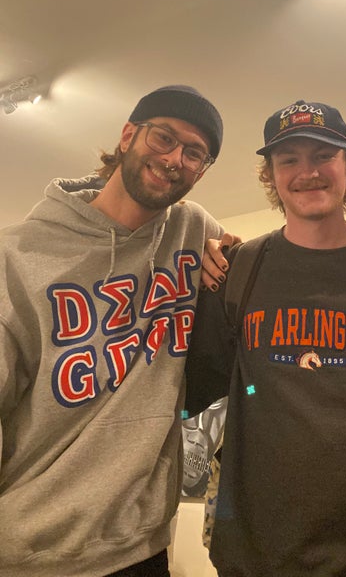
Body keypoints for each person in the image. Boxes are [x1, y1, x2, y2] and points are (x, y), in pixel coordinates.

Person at [186, 99, 346, 577]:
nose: (309, 172)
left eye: (324, 155)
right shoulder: (238, 270)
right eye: (289, 159)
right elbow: (184, 387)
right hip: (260, 555)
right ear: (271, 175)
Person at [0, 85, 226, 577]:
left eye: (194, 153)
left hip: (141, 546)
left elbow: (263, 266)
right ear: (128, 136)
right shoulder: (14, 256)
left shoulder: (193, 230)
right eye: (164, 137)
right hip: (31, 552)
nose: (175, 159)